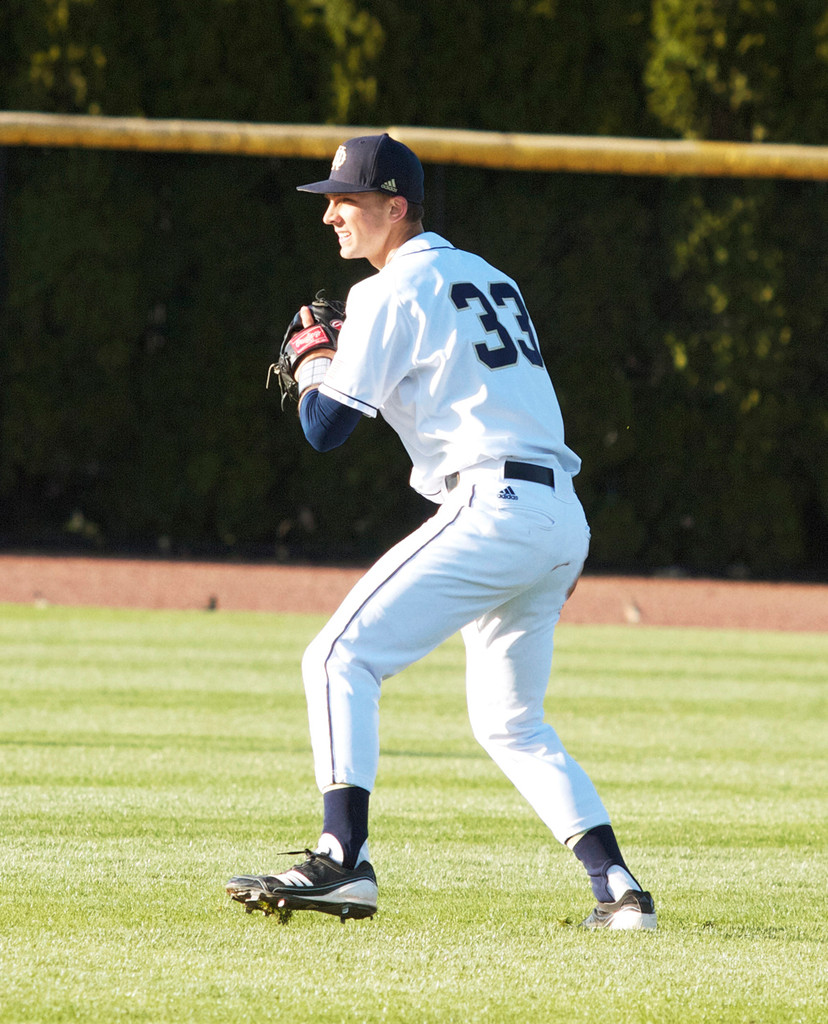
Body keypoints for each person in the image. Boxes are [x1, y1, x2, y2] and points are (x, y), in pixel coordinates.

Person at [226, 133, 656, 930]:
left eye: (347, 200)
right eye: (328, 200)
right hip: (561, 514)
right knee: (510, 721)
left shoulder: (389, 292)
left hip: (493, 502)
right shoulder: (492, 275)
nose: (331, 216)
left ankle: (340, 855)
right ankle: (621, 891)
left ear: (396, 207)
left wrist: (319, 360)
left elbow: (324, 429)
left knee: (337, 655)